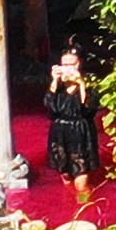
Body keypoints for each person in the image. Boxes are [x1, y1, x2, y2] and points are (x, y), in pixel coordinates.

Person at [44, 40, 105, 186]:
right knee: (66, 178)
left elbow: (88, 109)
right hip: (60, 134)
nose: (68, 69)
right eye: (65, 65)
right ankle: (71, 206)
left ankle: (84, 203)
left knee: (81, 183)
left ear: (80, 64)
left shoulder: (90, 84)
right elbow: (50, 110)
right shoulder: (57, 87)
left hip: (81, 134)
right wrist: (54, 81)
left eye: (72, 65)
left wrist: (81, 83)